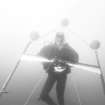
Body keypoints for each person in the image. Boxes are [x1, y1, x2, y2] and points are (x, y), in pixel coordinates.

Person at [38, 32, 79, 105]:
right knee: (43, 95)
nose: (59, 41)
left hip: (62, 75)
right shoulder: (49, 47)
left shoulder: (68, 48)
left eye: (61, 39)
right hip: (52, 73)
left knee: (60, 96)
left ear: (63, 39)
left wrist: (65, 65)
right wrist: (47, 64)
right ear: (55, 38)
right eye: (57, 38)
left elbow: (75, 59)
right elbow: (39, 56)